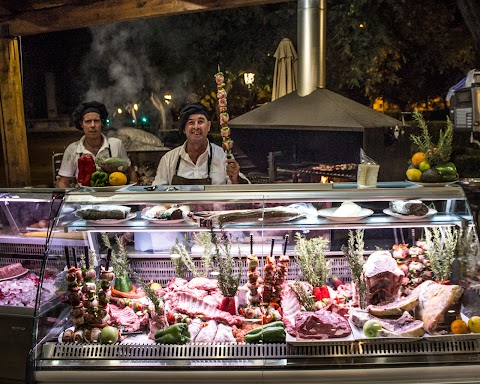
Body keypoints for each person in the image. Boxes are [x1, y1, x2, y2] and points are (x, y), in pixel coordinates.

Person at [152, 102, 249, 185]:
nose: (196, 127)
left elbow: (245, 191)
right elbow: (157, 194)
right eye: (191, 123)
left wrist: (236, 178)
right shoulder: (168, 160)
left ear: (208, 126)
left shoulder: (223, 156)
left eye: (200, 121)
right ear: (184, 129)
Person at [57, 101, 136, 188]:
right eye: (88, 121)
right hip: (84, 198)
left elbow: (131, 171)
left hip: (113, 198)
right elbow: (63, 182)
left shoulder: (116, 144)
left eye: (96, 121)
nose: (92, 125)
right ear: (81, 124)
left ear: (102, 123)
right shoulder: (72, 149)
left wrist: (132, 193)